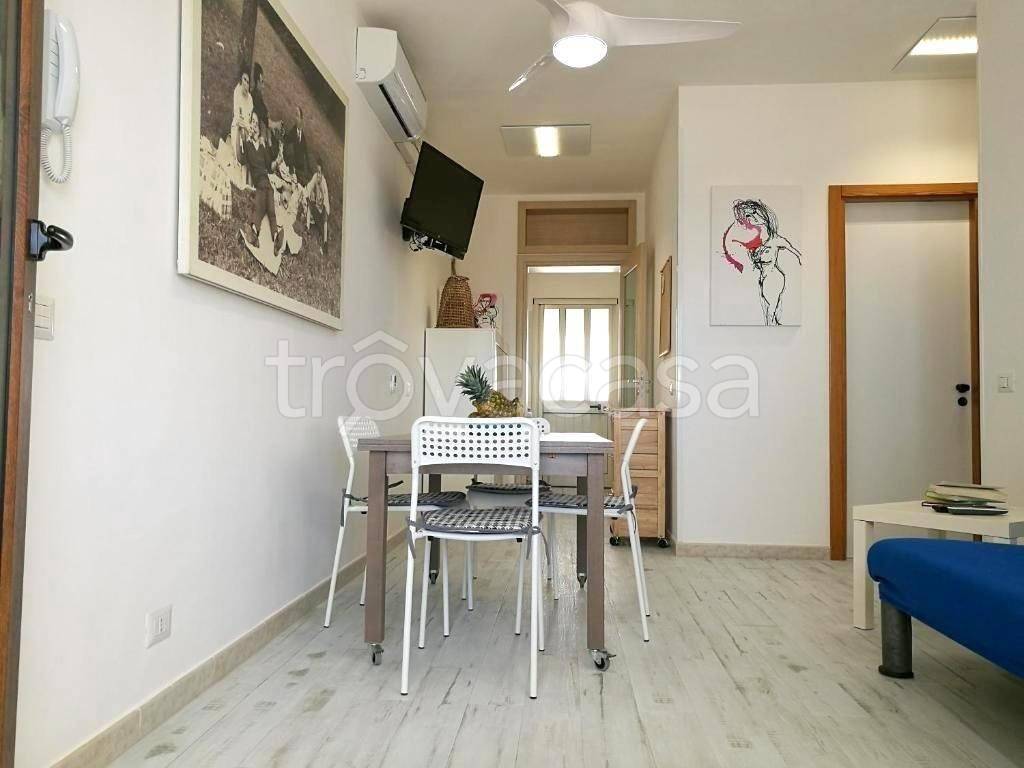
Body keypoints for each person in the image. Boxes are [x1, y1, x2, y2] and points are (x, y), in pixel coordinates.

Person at [721, 199, 802, 326]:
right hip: (763, 279)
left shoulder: (776, 240)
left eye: (752, 214)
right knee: (768, 312)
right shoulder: (756, 244)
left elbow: (798, 255)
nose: (749, 219)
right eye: (747, 216)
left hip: (773, 278)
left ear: (763, 216)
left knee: (770, 312)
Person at [239, 114, 284, 256]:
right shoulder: (248, 145)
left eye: (256, 124)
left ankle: (271, 236)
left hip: (266, 183)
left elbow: (270, 167)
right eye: (252, 122)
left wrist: (278, 160)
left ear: (259, 129)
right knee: (264, 205)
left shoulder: (263, 148)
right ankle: (259, 232)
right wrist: (243, 137)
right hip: (259, 181)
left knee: (269, 209)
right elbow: (242, 159)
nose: (254, 126)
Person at [230, 68, 254, 178]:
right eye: (244, 80)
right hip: (237, 127)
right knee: (238, 157)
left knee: (248, 159)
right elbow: (238, 118)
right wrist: (246, 127)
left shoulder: (250, 99)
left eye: (248, 82)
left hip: (247, 130)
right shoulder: (237, 92)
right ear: (240, 80)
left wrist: (248, 129)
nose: (246, 84)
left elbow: (249, 118)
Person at [304, 155, 330, 252]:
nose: (318, 175)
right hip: (316, 205)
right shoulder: (315, 177)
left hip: (322, 207)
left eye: (320, 173)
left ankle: (325, 242)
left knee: (324, 222)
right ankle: (307, 227)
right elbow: (310, 185)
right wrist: (308, 193)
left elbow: (326, 198)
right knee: (309, 205)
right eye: (317, 172)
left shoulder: (323, 183)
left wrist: (324, 207)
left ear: (322, 173)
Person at [284, 106, 310, 185]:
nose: (296, 118)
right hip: (293, 167)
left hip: (300, 167)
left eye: (297, 116)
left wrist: (307, 167)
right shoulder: (292, 133)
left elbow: (305, 153)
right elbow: (287, 147)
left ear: (301, 119)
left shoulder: (302, 136)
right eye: (295, 115)